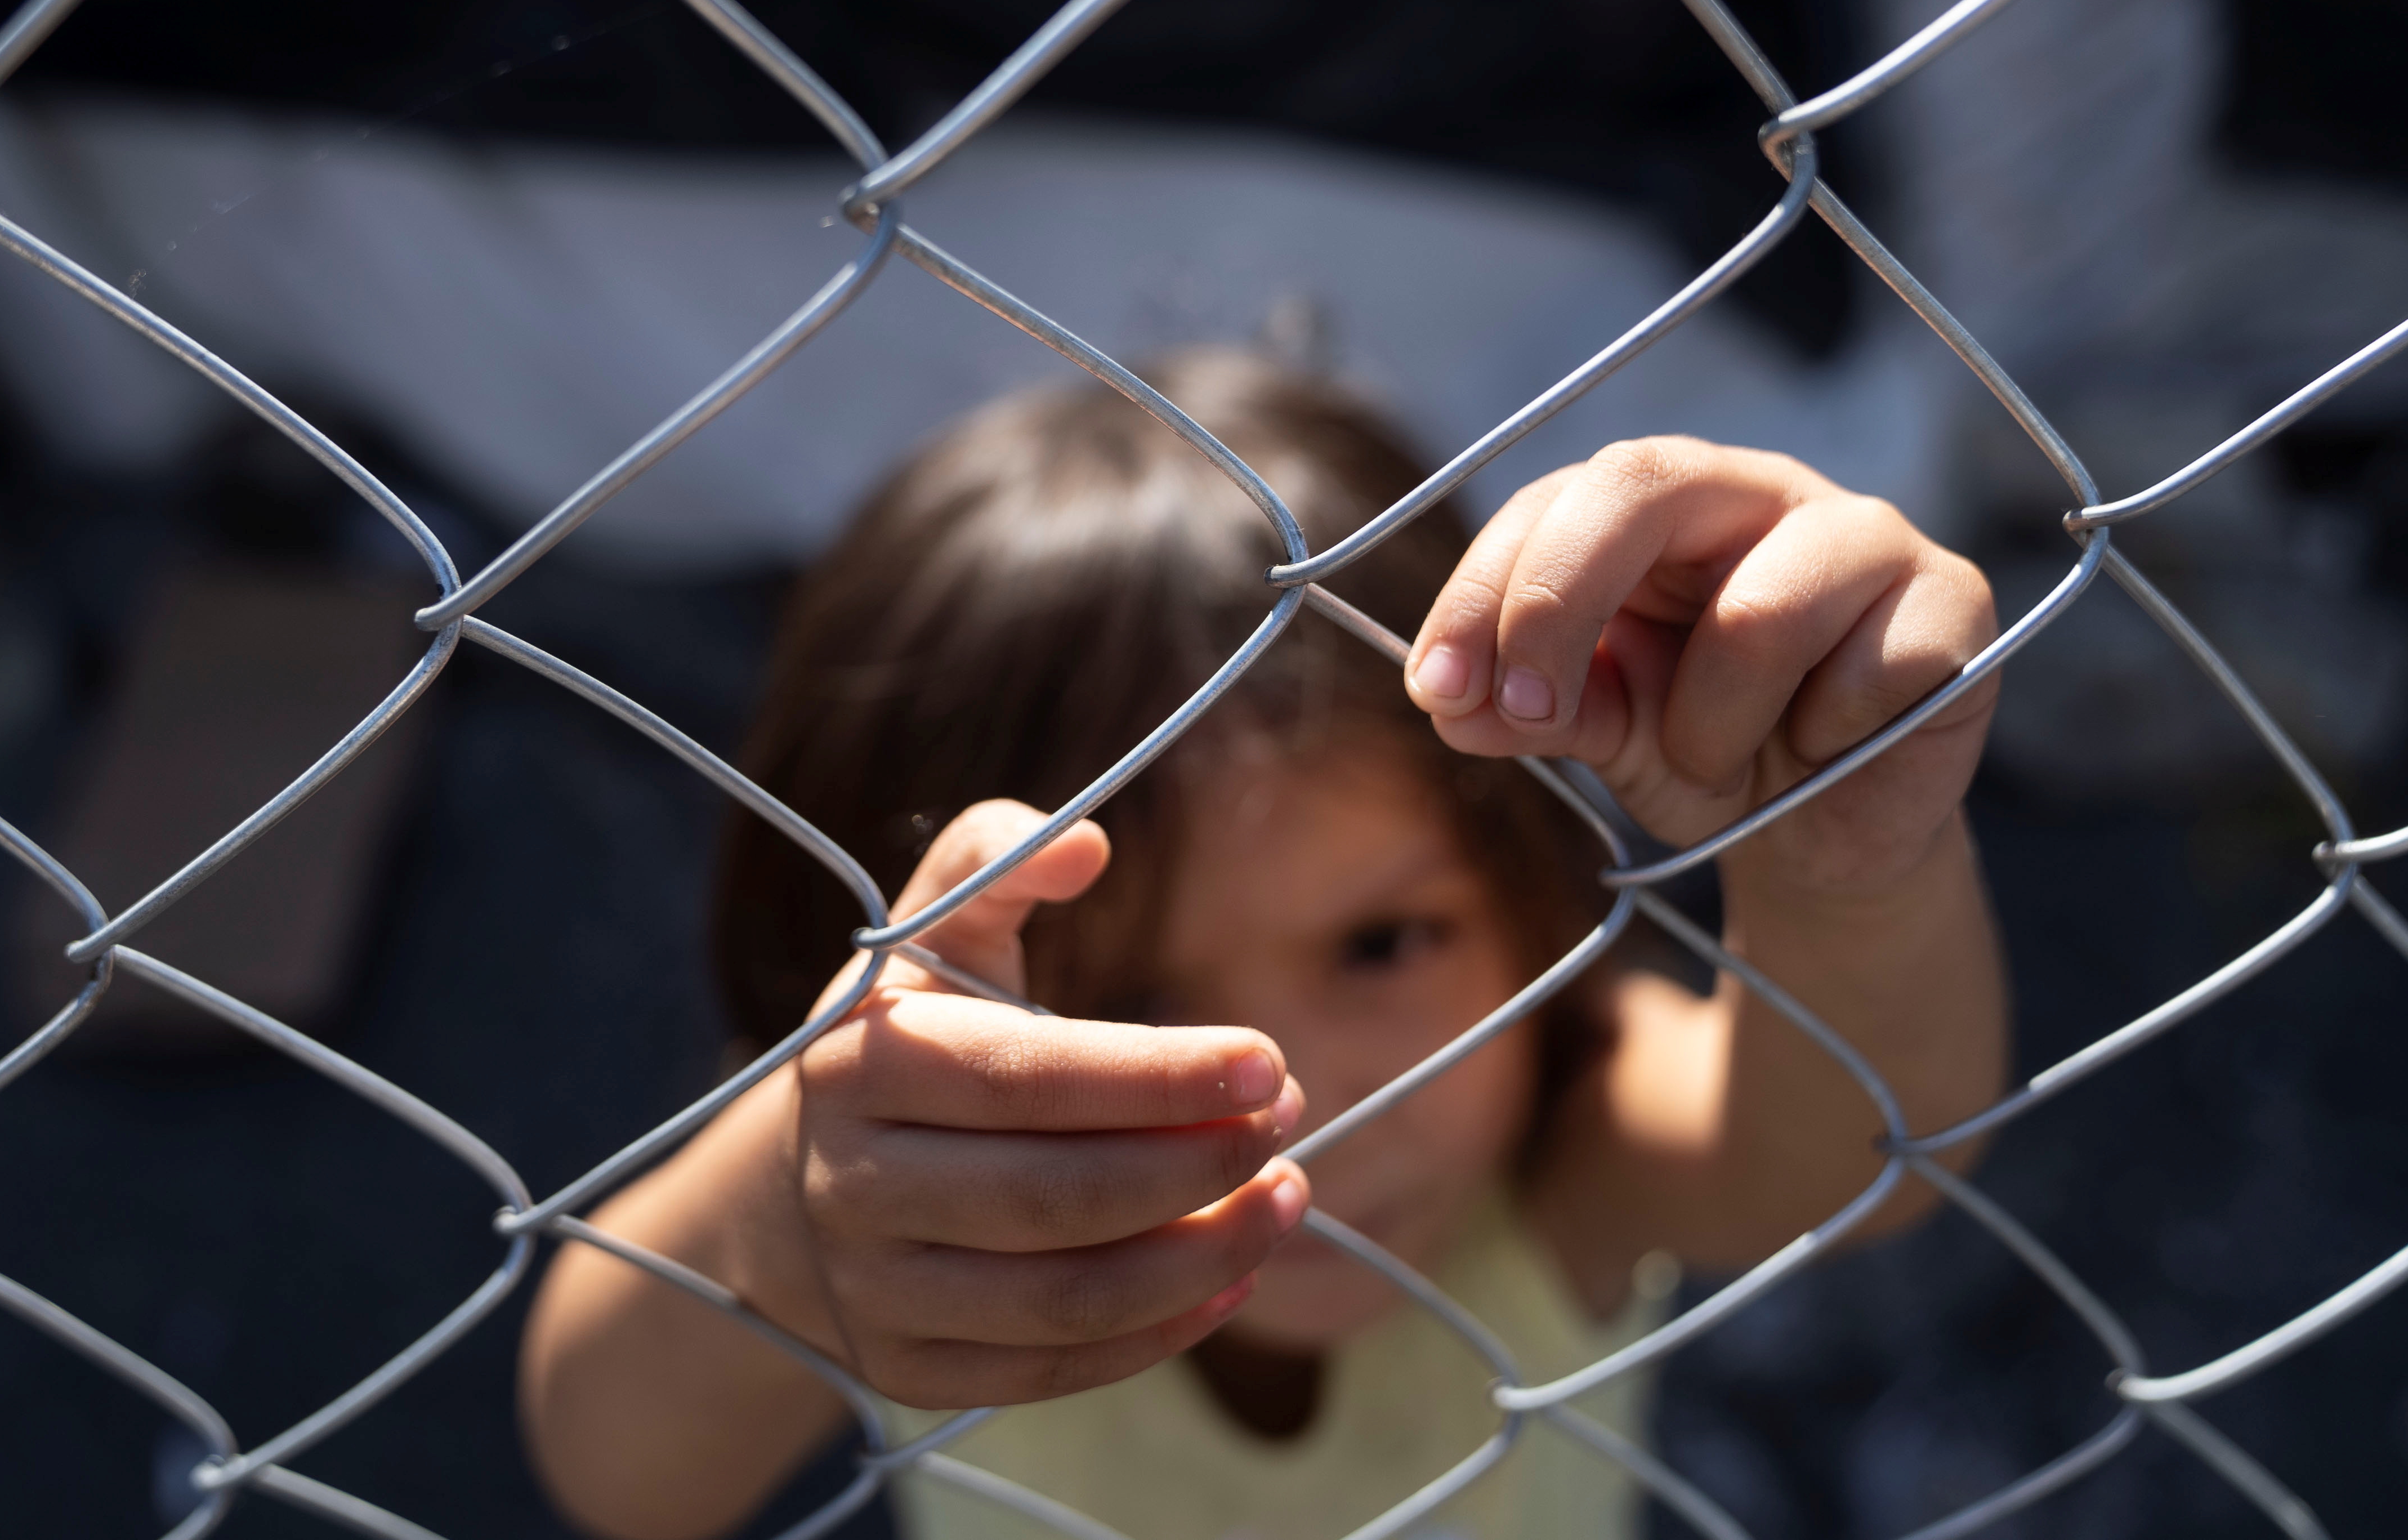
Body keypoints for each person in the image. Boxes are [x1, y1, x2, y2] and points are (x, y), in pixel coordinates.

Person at [515, 349, 2005, 1540]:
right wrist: (789, 1222)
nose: (1301, 1093)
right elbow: (626, 1478)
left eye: (1380, 941)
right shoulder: (928, 1216)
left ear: (1523, 894)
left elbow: (1865, 1146)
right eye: (1132, 1000)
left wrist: (1844, 873)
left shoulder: (1553, 1160)